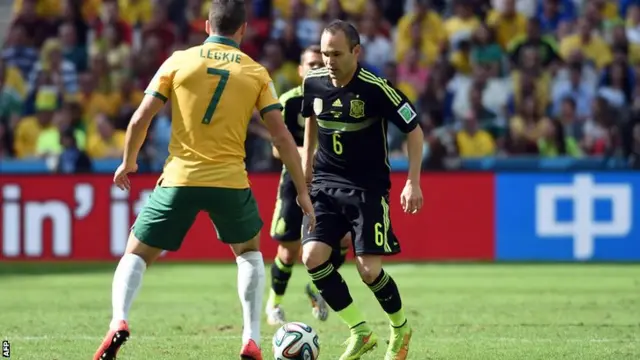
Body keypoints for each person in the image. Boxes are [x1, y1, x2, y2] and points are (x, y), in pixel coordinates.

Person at [93, 1, 315, 360]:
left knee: (136, 252)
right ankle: (251, 338)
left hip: (180, 177)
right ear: (242, 30)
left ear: (207, 26)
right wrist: (303, 190)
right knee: (248, 253)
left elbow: (139, 119)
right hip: (230, 181)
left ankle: (118, 321)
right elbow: (282, 138)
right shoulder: (255, 72)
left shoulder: (180, 60)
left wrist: (128, 162)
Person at [301, 20, 424, 360]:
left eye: (337, 53)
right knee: (312, 257)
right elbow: (310, 116)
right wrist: (307, 162)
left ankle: (400, 329)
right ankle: (361, 332)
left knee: (368, 270)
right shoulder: (312, 82)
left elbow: (414, 130)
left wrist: (412, 180)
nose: (329, 60)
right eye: (325, 53)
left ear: (356, 52)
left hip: (366, 188)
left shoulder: (376, 88)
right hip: (325, 184)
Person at [266, 44, 351, 326]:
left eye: (320, 63)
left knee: (343, 239)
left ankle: (318, 290)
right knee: (289, 249)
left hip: (330, 183)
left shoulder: (337, 99)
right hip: (295, 180)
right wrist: (306, 155)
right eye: (311, 65)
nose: (316, 68)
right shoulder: (289, 102)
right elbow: (277, 148)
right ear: (301, 70)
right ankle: (274, 304)